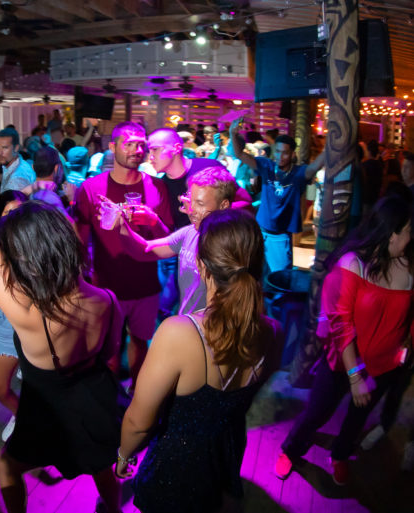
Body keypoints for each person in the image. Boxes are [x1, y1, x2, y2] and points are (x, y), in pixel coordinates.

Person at [0, 105, 125, 513]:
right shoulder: (107, 300)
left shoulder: (25, 311)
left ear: (28, 260)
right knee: (101, 467)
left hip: (48, 412)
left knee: (5, 464)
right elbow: (109, 356)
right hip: (91, 404)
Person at [117, 209, 282, 512]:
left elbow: (138, 422)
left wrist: (123, 456)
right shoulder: (274, 332)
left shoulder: (178, 334)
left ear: (203, 268)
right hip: (228, 448)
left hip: (176, 466)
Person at [275, 196, 413, 485]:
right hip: (343, 363)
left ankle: (339, 454)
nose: (412, 236)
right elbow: (341, 324)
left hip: (383, 366)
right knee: (317, 413)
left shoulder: (410, 267)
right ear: (392, 231)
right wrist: (354, 375)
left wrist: (406, 348)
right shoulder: (354, 264)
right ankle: (291, 448)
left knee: (356, 419)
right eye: (410, 230)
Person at [74, 121, 172, 391]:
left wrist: (152, 221)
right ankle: (111, 400)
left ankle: (135, 394)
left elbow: (167, 239)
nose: (136, 150)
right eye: (128, 143)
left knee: (141, 343)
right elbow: (80, 238)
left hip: (146, 286)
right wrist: (81, 281)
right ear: (113, 147)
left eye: (141, 144)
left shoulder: (155, 187)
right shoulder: (91, 188)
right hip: (107, 287)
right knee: (110, 351)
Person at [118, 166, 237, 315]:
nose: (191, 209)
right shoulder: (190, 232)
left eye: (200, 203)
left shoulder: (232, 244)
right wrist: (121, 225)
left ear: (224, 205)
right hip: (187, 324)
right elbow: (146, 250)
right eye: (190, 200)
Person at [230, 117, 324, 274]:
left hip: (280, 237)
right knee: (256, 274)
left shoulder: (298, 173)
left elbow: (315, 166)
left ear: (292, 153)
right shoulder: (267, 166)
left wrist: (333, 143)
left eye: (285, 153)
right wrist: (233, 133)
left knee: (279, 278)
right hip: (260, 230)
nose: (280, 156)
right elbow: (239, 154)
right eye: (278, 151)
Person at [0, 190, 28, 442]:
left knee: (43, 389)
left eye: (19, 212)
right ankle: (22, 414)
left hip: (34, 327)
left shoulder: (37, 243)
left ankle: (36, 423)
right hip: (4, 326)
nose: (13, 217)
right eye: (7, 212)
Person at [0, 128, 36, 194]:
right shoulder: (18, 163)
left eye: (5, 147)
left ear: (16, 148)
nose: (0, 152)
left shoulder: (16, 181)